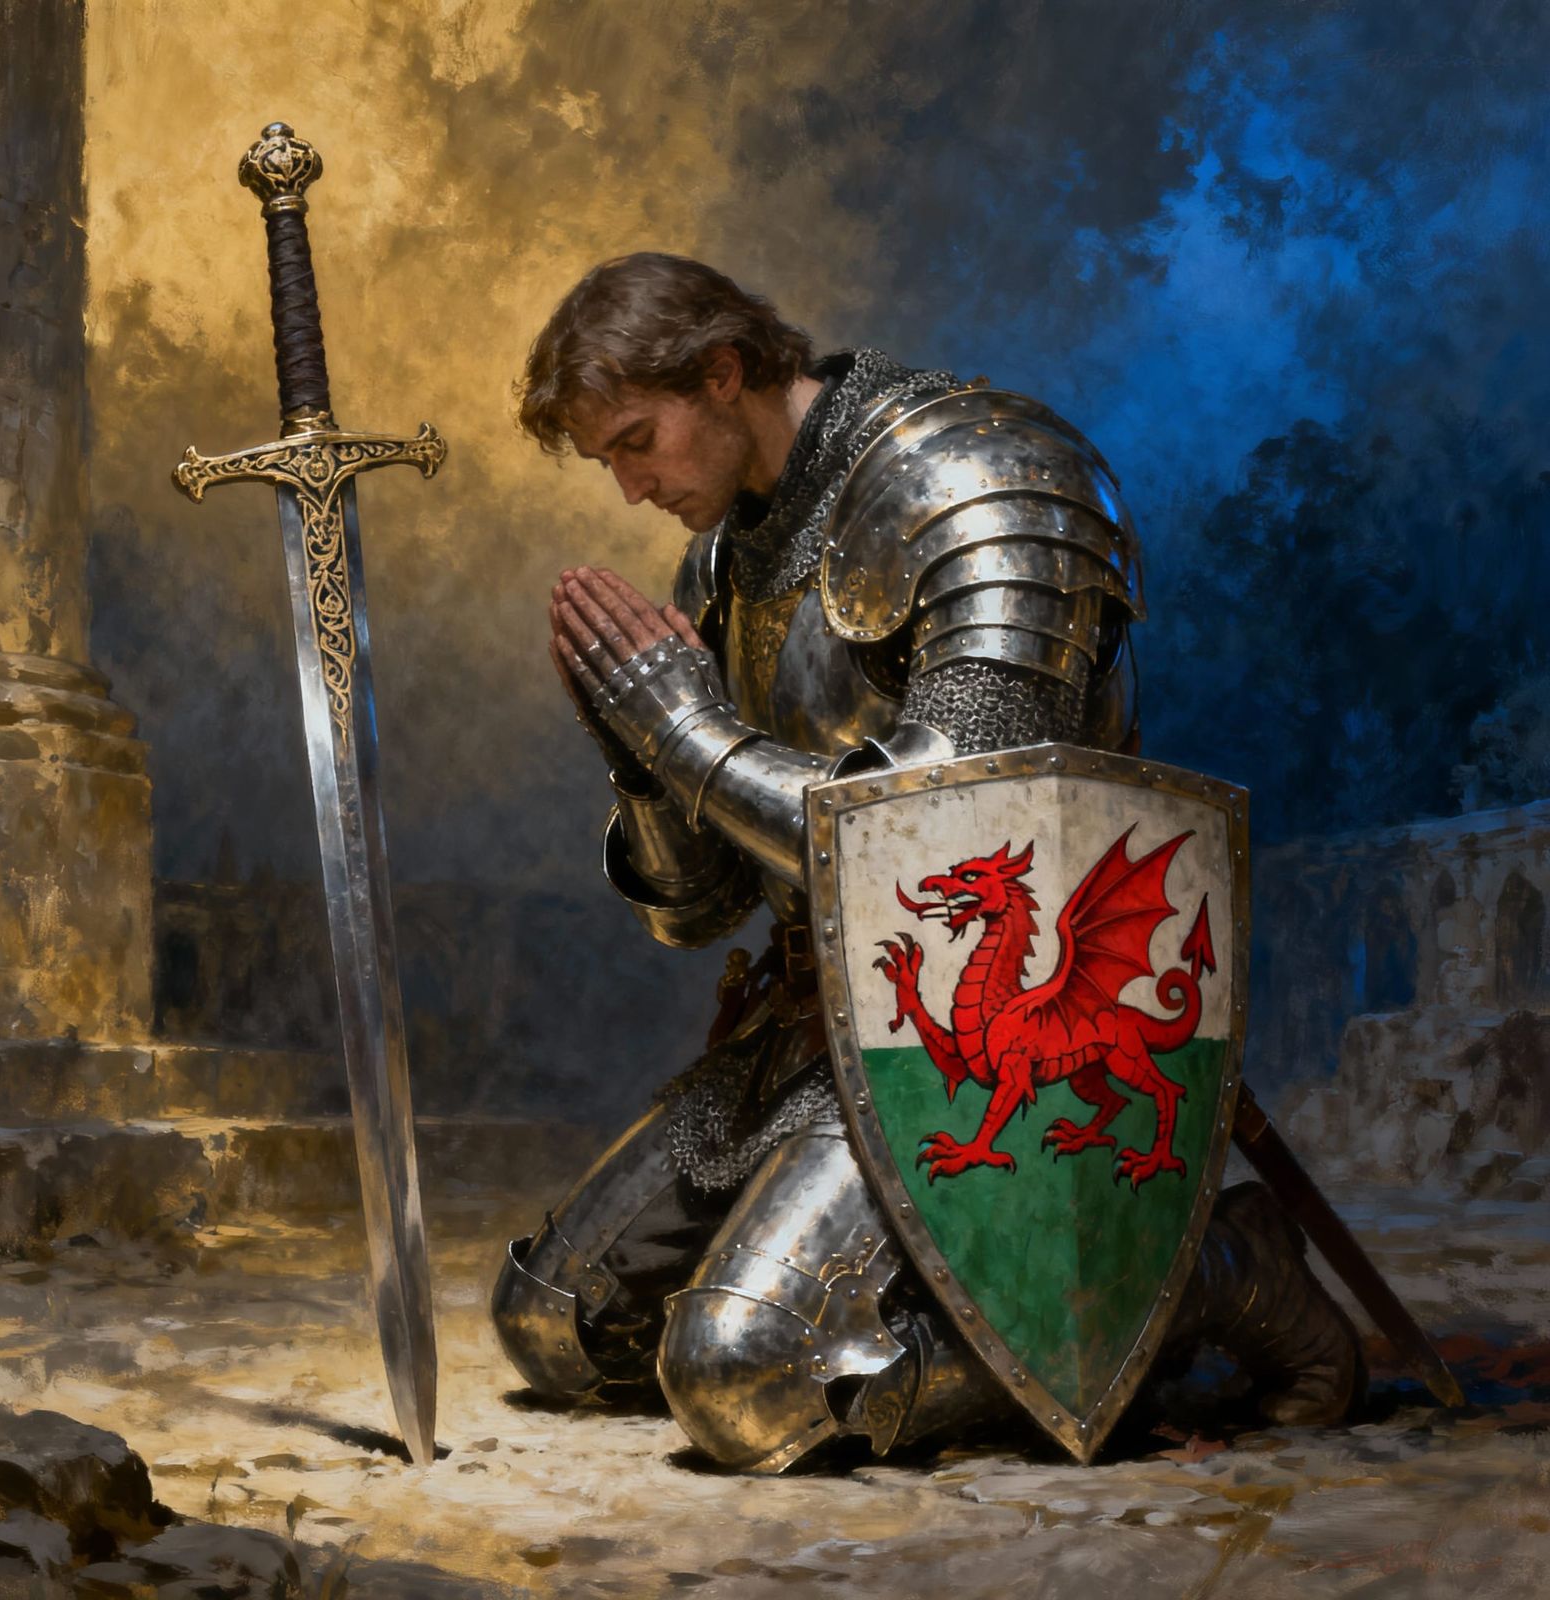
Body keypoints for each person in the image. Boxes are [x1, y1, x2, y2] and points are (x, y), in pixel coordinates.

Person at [491, 252, 1362, 1472]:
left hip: (994, 1017)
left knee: (747, 1384)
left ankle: (1216, 1274)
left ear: (724, 372)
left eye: (639, 440)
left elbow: (945, 842)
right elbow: (702, 908)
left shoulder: (977, 483)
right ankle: (1024, 1305)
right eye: (610, 461)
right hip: (818, 1016)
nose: (633, 487)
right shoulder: (723, 562)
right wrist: (642, 762)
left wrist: (688, 737)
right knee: (559, 1323)